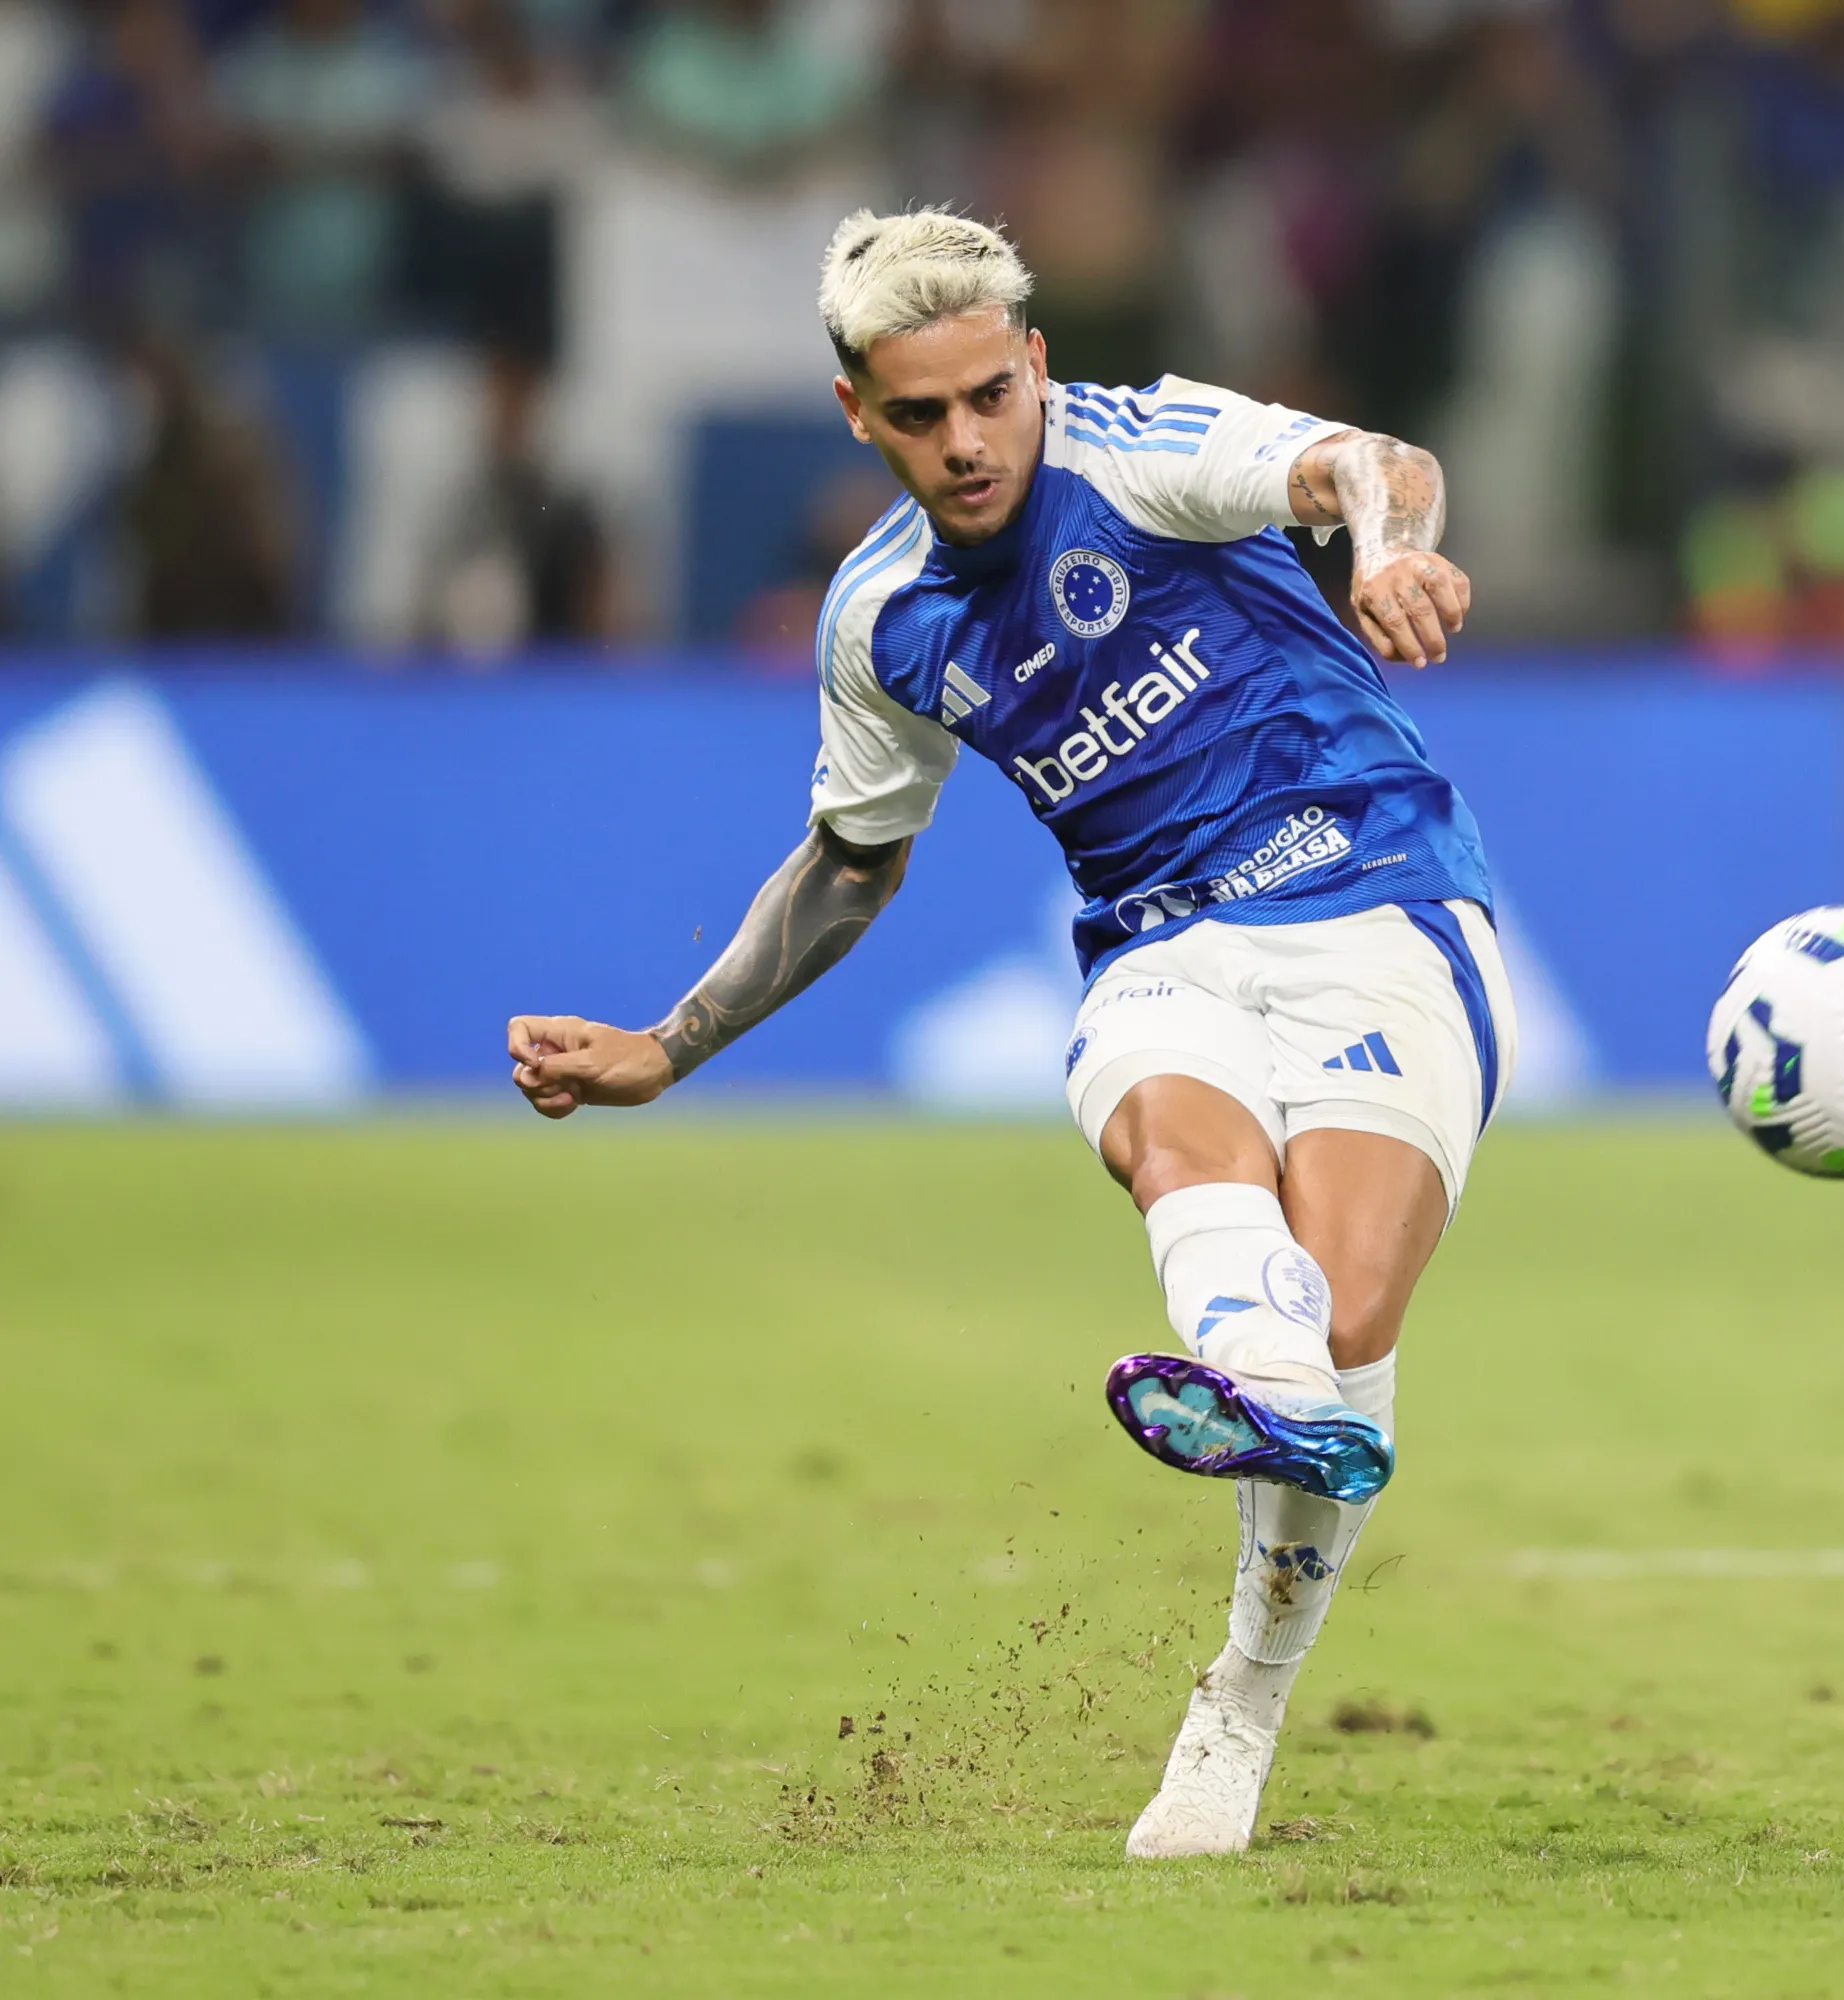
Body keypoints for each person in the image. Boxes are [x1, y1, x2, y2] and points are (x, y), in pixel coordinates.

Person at [500, 208, 1509, 1860]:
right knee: (1172, 1128)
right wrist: (670, 1046)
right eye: (918, 415)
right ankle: (1259, 1373)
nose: (965, 444)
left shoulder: (1143, 451)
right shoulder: (882, 620)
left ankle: (1240, 1696)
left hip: (1376, 894)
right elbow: (851, 860)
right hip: (1159, 949)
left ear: (1034, 365)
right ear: (856, 411)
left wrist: (1388, 549)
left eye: (988, 396)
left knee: (1349, 1325)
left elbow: (1364, 461)